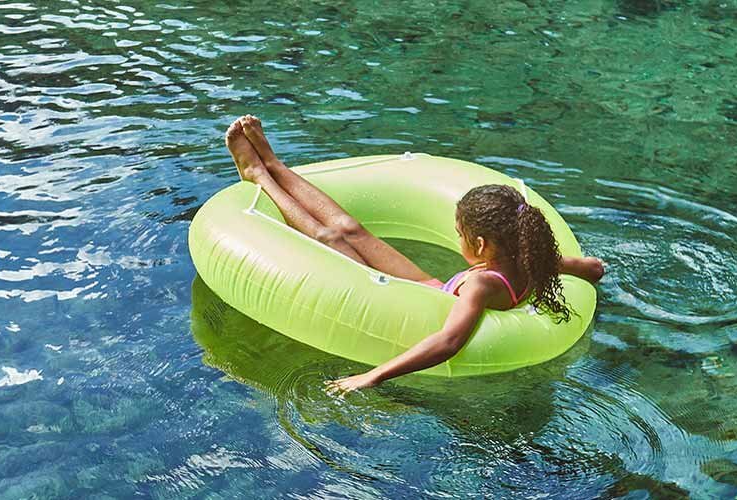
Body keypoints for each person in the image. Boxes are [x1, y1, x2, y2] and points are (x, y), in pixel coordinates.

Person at [219, 115, 607, 394]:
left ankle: (260, 176)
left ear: (482, 246)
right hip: (427, 286)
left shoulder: (485, 285)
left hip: (409, 303)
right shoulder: (532, 259)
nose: (458, 238)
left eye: (460, 234)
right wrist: (593, 272)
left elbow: (447, 343)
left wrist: (373, 375)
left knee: (331, 238)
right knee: (350, 230)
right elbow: (591, 268)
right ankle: (275, 164)